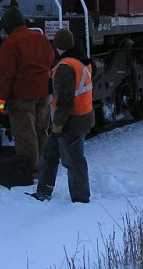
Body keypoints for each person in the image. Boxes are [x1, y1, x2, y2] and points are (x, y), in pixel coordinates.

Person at [30, 28, 95, 203]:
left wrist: (58, 125)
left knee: (73, 161)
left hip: (71, 121)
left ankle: (81, 199)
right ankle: (43, 191)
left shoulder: (65, 67)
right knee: (50, 153)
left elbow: (65, 101)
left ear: (57, 46)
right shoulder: (81, 61)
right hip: (81, 116)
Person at [0, 5, 55, 174]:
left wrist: (2, 102)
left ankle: (31, 170)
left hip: (22, 96)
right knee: (42, 130)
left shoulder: (10, 44)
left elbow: (6, 75)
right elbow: (51, 58)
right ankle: (46, 166)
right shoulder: (40, 38)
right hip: (43, 93)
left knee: (25, 134)